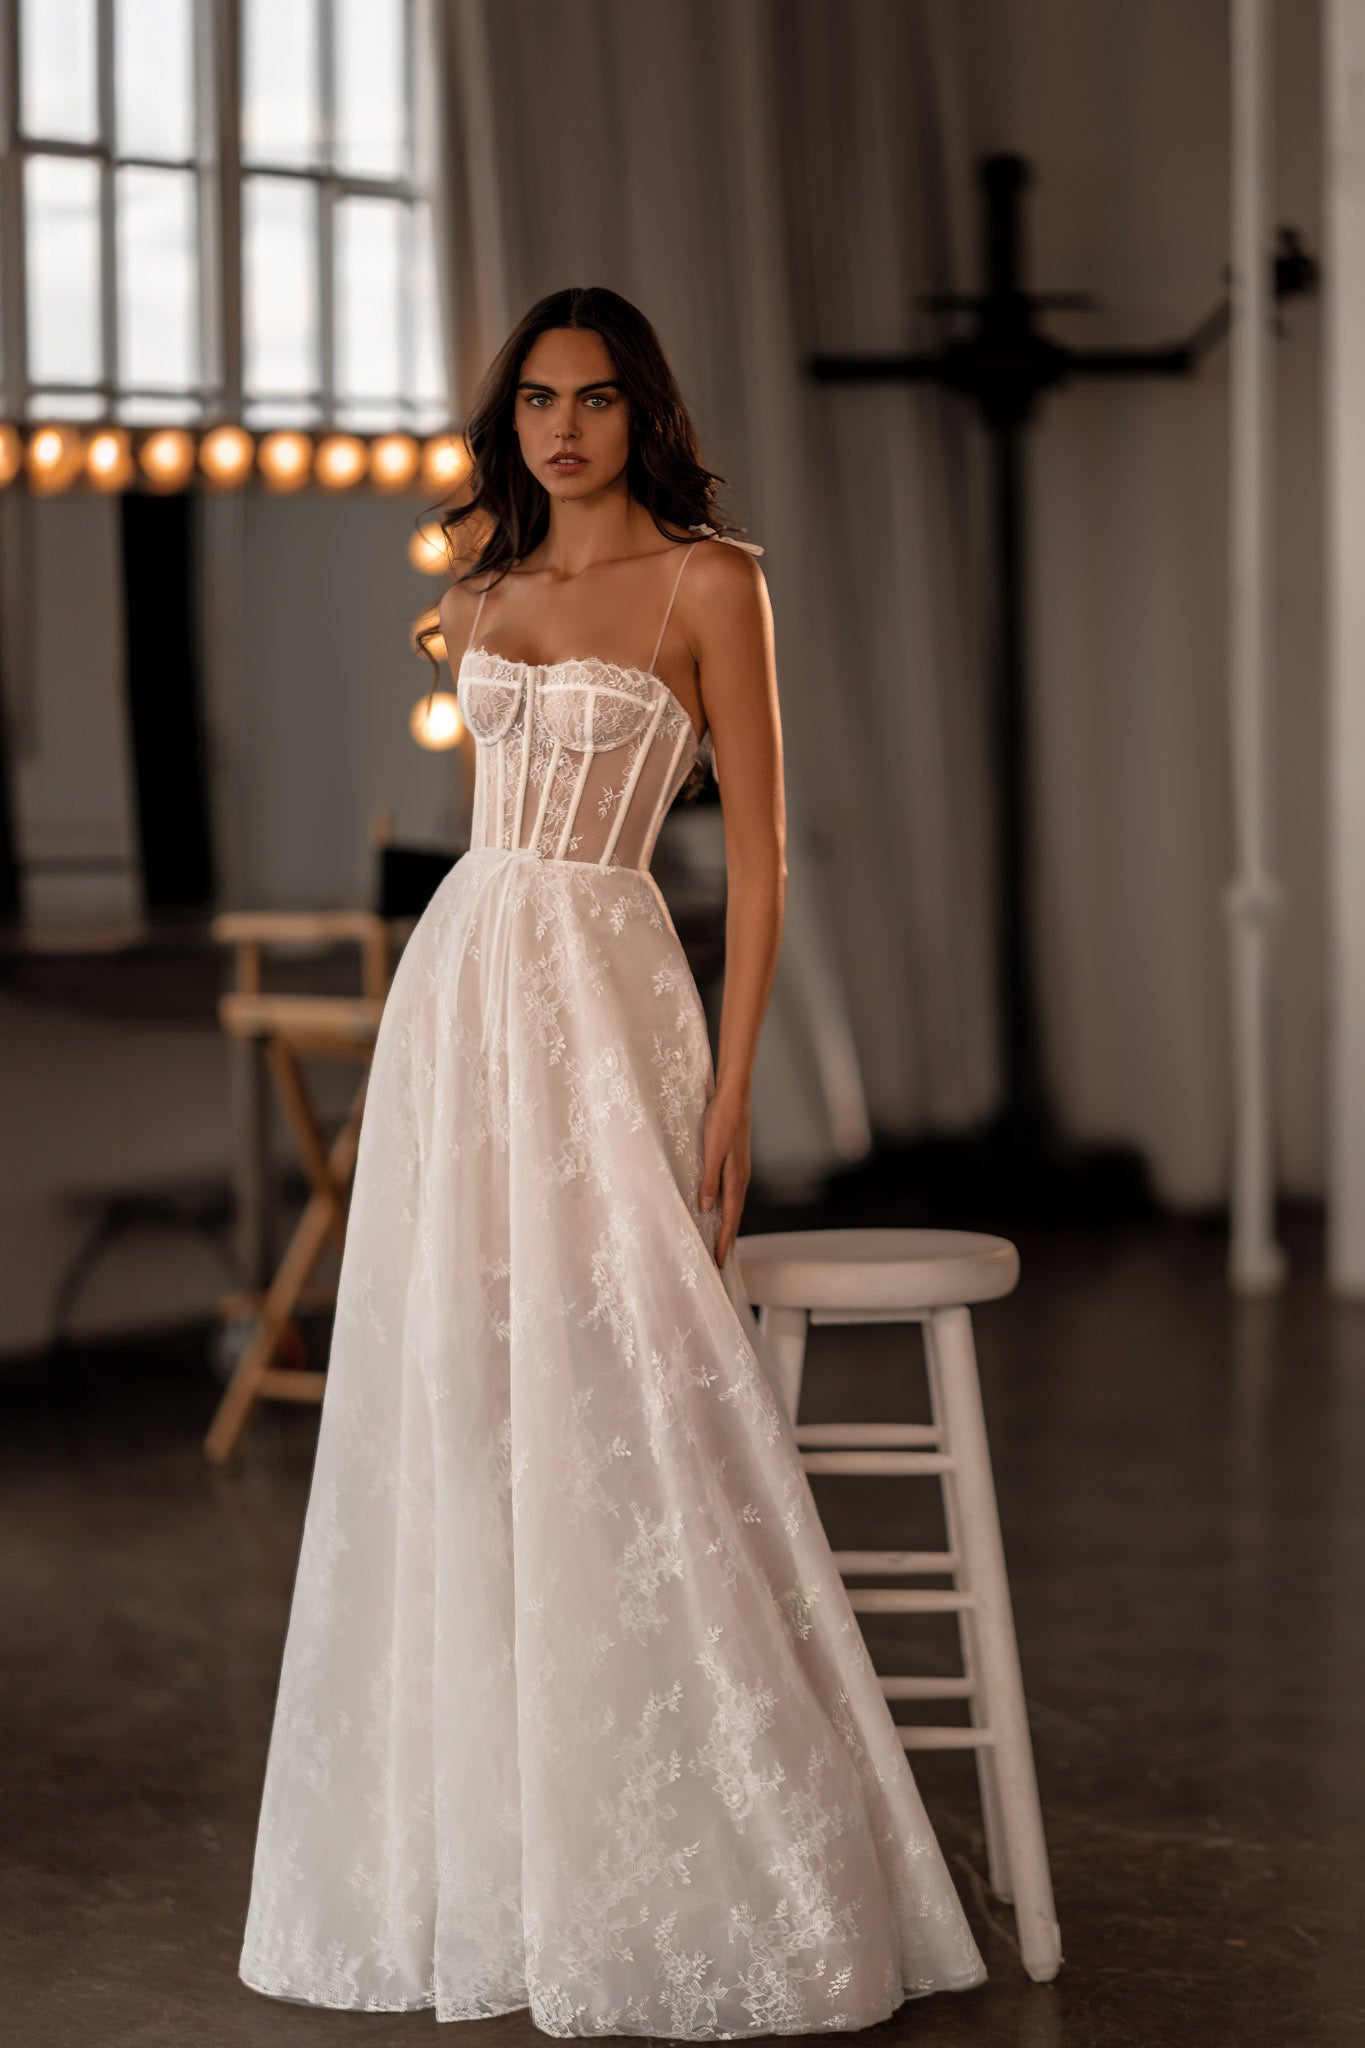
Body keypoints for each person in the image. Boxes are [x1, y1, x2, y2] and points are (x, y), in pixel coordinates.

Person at [238, 285, 987, 2035]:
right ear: (508, 421)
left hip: (610, 983)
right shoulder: (477, 595)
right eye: (534, 401)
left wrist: (737, 1089)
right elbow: (488, 838)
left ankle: (684, 1820)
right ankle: (492, 1842)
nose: (560, 428)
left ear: (640, 411)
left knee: (626, 1369)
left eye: (590, 398)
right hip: (463, 994)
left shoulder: (711, 584)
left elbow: (766, 855)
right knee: (461, 1382)